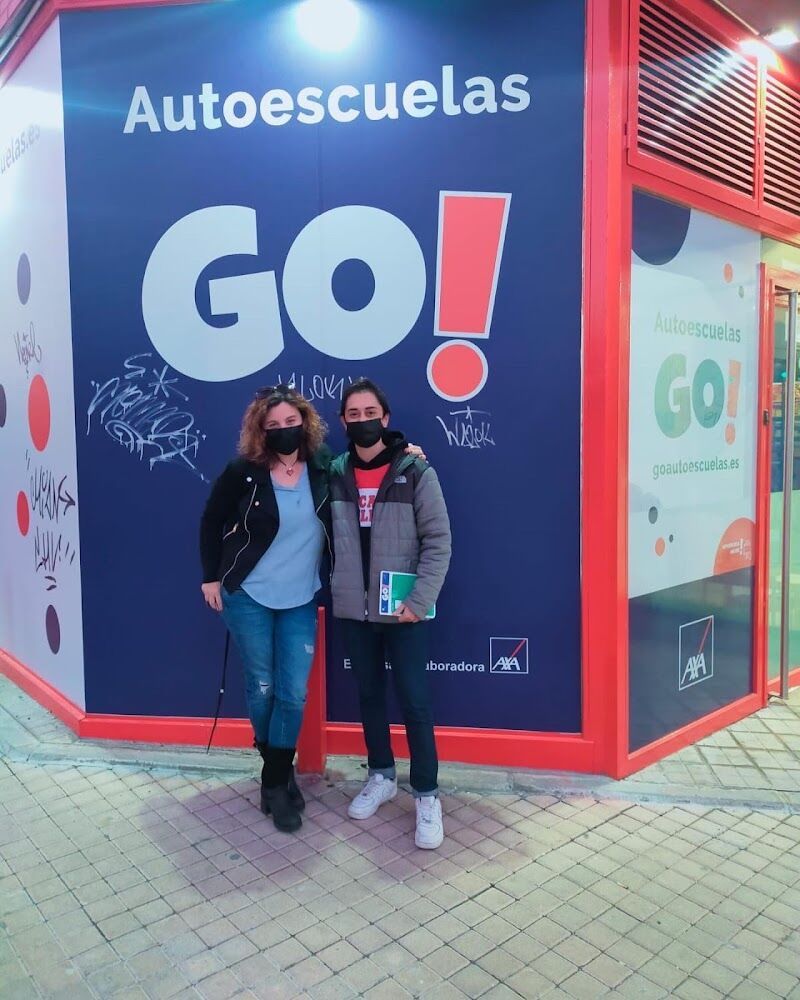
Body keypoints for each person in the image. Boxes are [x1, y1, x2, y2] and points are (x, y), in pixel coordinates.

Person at [200, 385, 331, 834]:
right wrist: (210, 576)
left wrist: (408, 452)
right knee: (263, 688)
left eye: (290, 422)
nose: (283, 431)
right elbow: (211, 519)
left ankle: (273, 778)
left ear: (305, 422)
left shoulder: (324, 467)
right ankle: (278, 780)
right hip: (248, 596)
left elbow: (372, 463)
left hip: (300, 597)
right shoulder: (244, 471)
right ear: (260, 430)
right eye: (273, 425)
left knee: (292, 694)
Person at [329, 378, 452, 849]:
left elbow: (438, 542)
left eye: (370, 413)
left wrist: (418, 602)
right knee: (369, 696)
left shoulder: (414, 470)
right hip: (354, 609)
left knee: (414, 701)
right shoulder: (333, 472)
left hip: (403, 612)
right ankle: (381, 775)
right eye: (353, 414)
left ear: (386, 417)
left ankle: (426, 794)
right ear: (343, 421)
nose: (362, 421)